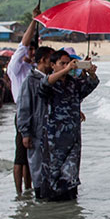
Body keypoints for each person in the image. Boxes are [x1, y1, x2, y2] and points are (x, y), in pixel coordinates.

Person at [29, 50, 98, 201]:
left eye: (68, 63)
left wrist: (89, 73)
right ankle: (52, 208)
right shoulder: (49, 83)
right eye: (63, 63)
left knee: (71, 174)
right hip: (54, 139)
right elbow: (44, 85)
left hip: (72, 137)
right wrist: (67, 70)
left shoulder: (73, 83)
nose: (67, 66)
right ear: (53, 65)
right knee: (53, 174)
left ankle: (70, 206)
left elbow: (88, 87)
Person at [16, 46, 56, 196]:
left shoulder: (52, 78)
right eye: (50, 59)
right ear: (43, 60)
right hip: (36, 129)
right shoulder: (30, 81)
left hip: (51, 130)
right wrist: (25, 132)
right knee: (37, 164)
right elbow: (24, 107)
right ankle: (38, 192)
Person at [8, 15, 39, 194]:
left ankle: (29, 188)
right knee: (20, 156)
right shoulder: (15, 67)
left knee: (30, 155)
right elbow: (23, 44)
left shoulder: (32, 69)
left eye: (34, 50)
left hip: (35, 113)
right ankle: (19, 191)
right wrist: (34, 21)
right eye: (30, 50)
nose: (31, 53)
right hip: (22, 113)